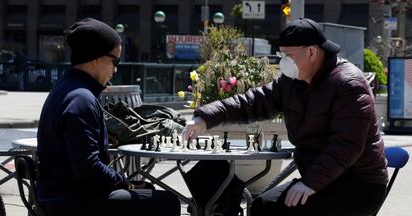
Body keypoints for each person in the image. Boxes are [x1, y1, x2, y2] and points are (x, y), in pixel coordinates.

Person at [183, 18, 388, 216]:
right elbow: (252, 102)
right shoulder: (292, 81)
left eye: (289, 55)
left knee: (285, 211)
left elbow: (346, 146)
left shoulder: (348, 84)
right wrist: (205, 118)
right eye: (282, 55)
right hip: (322, 178)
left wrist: (311, 183)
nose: (284, 62)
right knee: (262, 206)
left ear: (311, 52)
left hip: (358, 185)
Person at [37, 18, 180, 216]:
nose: (115, 69)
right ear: (95, 58)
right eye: (115, 61)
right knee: (168, 202)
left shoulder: (65, 89)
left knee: (148, 193)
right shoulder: (81, 99)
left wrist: (123, 184)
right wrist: (125, 183)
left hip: (57, 198)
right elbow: (88, 169)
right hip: (74, 203)